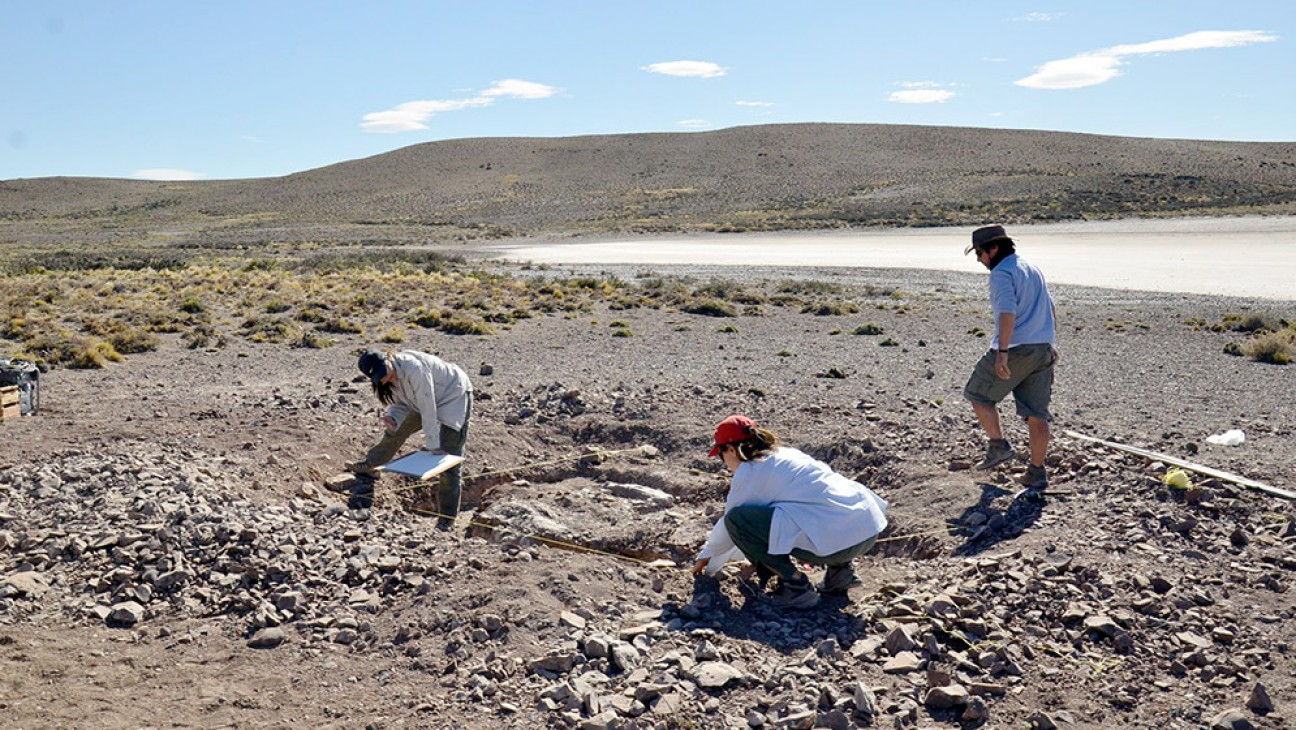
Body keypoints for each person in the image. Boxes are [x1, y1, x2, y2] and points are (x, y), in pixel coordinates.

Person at [691, 415, 889, 609]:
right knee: (816, 509)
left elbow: (732, 523)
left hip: (841, 544)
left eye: (721, 454)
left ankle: (796, 587)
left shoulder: (750, 472)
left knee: (739, 520)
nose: (723, 461)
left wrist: (708, 555)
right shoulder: (787, 454)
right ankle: (840, 574)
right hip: (869, 528)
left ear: (731, 450)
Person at [963, 224, 1058, 491]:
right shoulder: (1030, 267)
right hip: (1042, 348)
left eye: (979, 253)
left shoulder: (1002, 273)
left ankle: (998, 445)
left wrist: (1002, 352)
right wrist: (1051, 343)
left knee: (978, 394)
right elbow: (1051, 307)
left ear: (993, 249)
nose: (979, 260)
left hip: (1017, 347)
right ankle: (1036, 473)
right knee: (1037, 413)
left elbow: (1007, 312)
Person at [348, 348, 473, 525]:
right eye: (379, 378)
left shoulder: (414, 369)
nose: (384, 378)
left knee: (448, 460)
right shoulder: (387, 377)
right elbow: (401, 404)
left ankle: (446, 520)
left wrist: (433, 445)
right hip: (422, 402)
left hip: (453, 395)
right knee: (395, 431)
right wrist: (393, 417)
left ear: (388, 358)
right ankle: (371, 465)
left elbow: (427, 406)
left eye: (384, 373)